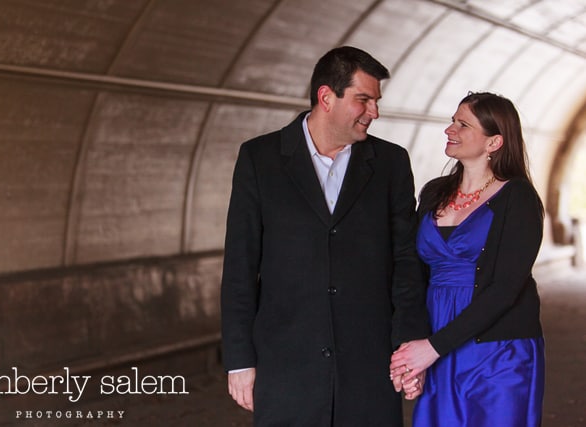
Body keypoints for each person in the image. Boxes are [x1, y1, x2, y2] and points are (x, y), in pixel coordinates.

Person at [220, 46, 429, 426]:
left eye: (376, 101)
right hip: (284, 369)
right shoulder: (259, 159)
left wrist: (408, 346)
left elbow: (405, 262)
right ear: (326, 97)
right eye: (363, 100)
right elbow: (240, 266)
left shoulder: (391, 163)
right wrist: (239, 360)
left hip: (370, 368)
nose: (374, 112)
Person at [389, 92, 545, 426]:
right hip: (436, 338)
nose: (450, 129)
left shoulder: (518, 197)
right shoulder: (434, 192)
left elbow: (506, 288)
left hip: (498, 349)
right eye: (452, 120)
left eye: (463, 124)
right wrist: (413, 349)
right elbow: (413, 274)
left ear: (494, 142)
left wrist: (432, 348)